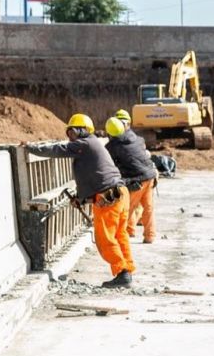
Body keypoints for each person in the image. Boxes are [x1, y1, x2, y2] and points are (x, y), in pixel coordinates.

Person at [26, 113, 135, 288]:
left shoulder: (84, 143)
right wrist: (82, 199)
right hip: (119, 193)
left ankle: (122, 273)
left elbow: (57, 150)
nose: (71, 137)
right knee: (119, 235)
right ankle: (126, 270)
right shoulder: (91, 144)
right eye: (69, 133)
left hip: (109, 197)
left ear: (82, 130)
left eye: (73, 132)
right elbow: (95, 177)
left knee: (105, 239)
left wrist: (31, 148)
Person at [105, 111, 157, 243]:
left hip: (137, 179)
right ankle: (149, 236)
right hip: (150, 176)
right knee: (148, 207)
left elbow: (110, 165)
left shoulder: (113, 146)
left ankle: (125, 234)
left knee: (127, 208)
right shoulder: (137, 138)